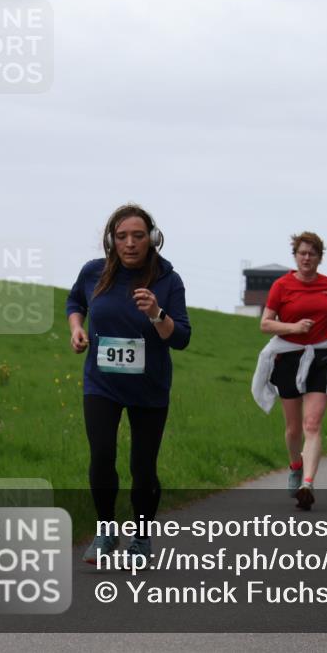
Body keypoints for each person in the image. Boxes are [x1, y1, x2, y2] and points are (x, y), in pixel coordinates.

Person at [68, 204, 191, 566]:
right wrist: (77, 328)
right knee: (102, 455)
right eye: (122, 237)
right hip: (101, 383)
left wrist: (156, 312)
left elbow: (181, 337)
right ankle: (105, 531)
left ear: (152, 239)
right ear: (111, 240)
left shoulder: (168, 280)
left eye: (138, 236)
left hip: (149, 387)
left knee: (143, 467)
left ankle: (141, 536)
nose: (130, 243)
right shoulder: (95, 273)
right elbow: (75, 301)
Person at [251, 232, 327, 511]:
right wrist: (293, 328)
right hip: (289, 358)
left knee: (313, 424)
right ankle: (295, 465)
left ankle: (307, 482)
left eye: (312, 254)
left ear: (319, 257)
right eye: (302, 253)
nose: (306, 258)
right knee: (294, 429)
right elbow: (265, 324)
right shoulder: (281, 286)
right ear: (295, 255)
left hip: (321, 357)